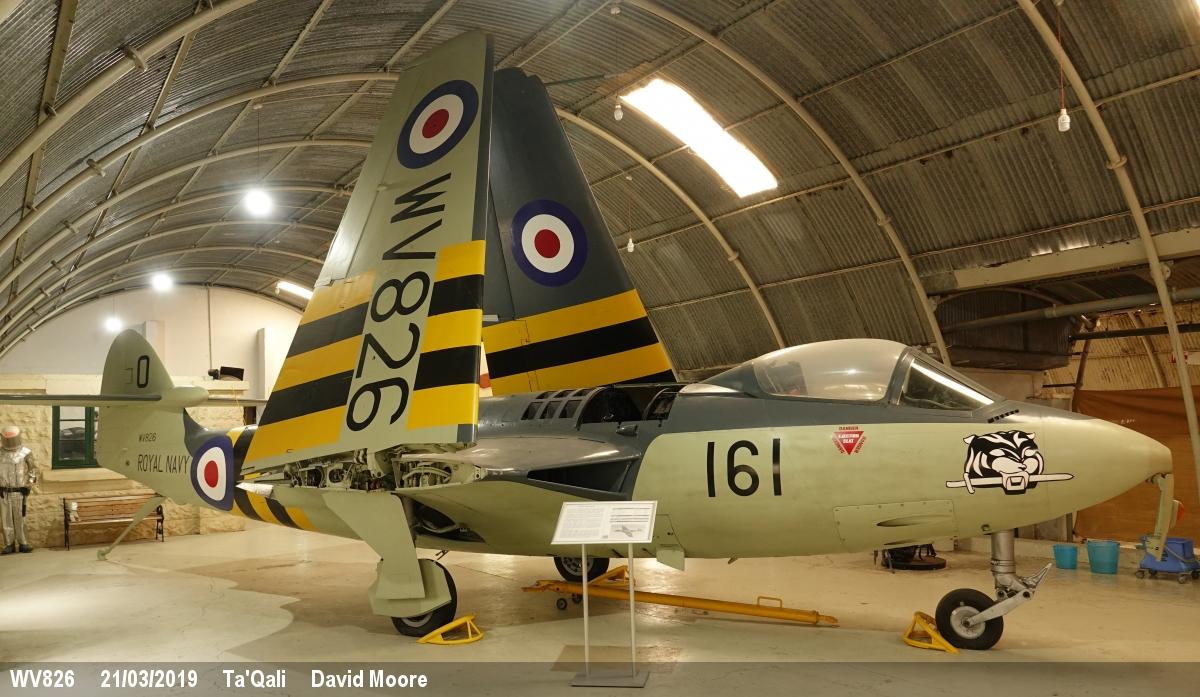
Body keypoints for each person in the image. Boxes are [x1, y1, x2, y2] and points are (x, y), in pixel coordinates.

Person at [0, 425, 38, 554]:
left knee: (20, 517)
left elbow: (33, 470)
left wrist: (29, 485)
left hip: (20, 490)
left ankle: (23, 543)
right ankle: (9, 544)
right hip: (3, 491)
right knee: (6, 518)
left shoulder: (26, 452)